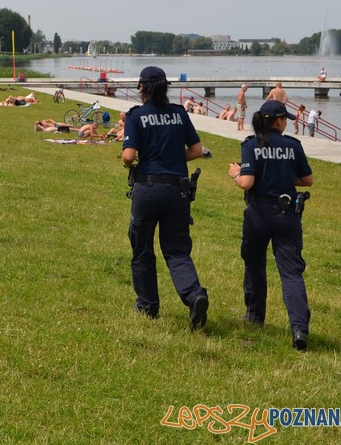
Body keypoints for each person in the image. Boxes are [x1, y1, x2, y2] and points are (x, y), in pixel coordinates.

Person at [122, 66, 209, 330]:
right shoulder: (179, 114)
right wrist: (172, 158)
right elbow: (196, 150)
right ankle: (194, 295)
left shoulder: (136, 116)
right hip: (177, 190)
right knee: (177, 250)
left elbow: (128, 156)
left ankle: (148, 305)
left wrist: (144, 161)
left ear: (142, 88)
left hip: (148, 188)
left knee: (142, 247)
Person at [227, 100, 314, 350]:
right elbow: (308, 180)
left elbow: (246, 182)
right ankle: (299, 329)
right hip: (287, 215)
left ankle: (255, 316)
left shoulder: (251, 145)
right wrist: (285, 174)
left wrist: (235, 173)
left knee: (254, 264)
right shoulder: (292, 146)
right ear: (278, 121)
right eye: (285, 119)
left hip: (258, 214)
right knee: (291, 273)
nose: (286, 122)